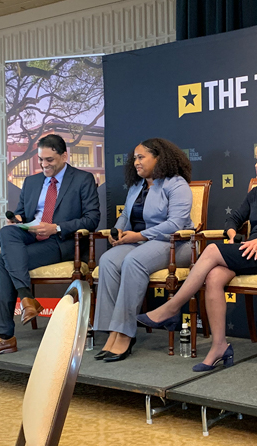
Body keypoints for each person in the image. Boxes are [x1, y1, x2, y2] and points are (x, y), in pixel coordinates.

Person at [138, 140, 257, 371]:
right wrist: (231, 233)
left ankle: (171, 308)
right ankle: (219, 346)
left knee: (211, 250)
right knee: (215, 276)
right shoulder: (256, 193)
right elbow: (234, 219)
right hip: (251, 251)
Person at [0, 134, 100, 358]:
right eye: (41, 160)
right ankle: (26, 299)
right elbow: (24, 214)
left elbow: (92, 219)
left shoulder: (82, 179)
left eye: (50, 160)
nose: (44, 165)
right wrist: (18, 218)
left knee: (3, 260)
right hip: (31, 235)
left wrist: (55, 227)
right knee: (8, 231)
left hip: (62, 242)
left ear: (64, 156)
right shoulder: (32, 181)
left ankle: (3, 336)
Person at [93, 138, 194, 362]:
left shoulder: (176, 184)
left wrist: (139, 236)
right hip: (142, 243)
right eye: (135, 158)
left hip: (176, 244)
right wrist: (117, 232)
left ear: (158, 158)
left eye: (141, 157)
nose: (136, 162)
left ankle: (125, 333)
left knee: (133, 261)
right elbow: (126, 216)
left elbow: (175, 224)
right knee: (108, 260)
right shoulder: (136, 186)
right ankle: (112, 330)